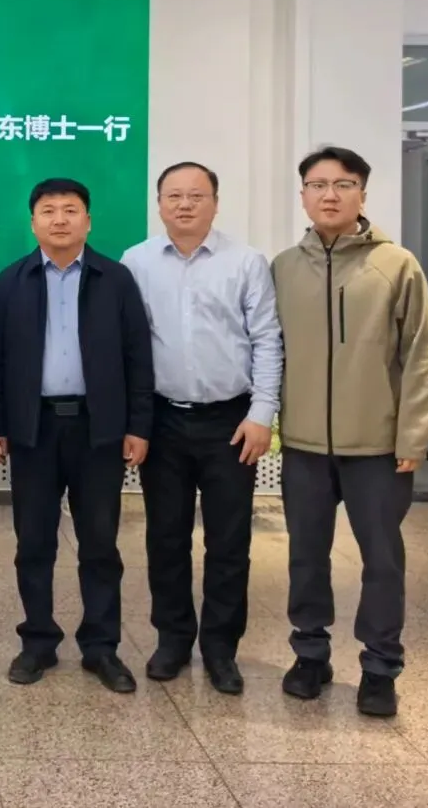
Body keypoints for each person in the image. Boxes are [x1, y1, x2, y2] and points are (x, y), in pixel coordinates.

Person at [273, 146, 428, 718]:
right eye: (317, 184)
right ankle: (310, 654)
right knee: (305, 556)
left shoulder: (397, 265)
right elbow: (270, 351)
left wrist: (414, 436)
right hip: (303, 446)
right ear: (302, 195)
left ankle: (380, 666)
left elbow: (421, 356)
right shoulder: (284, 267)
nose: (330, 195)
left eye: (343, 184)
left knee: (383, 560)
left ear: (362, 194)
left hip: (378, 447)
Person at [0, 178, 154, 692]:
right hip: (32, 429)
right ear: (33, 222)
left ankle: (102, 647)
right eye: (49, 210)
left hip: (99, 429)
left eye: (71, 210)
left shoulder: (115, 279)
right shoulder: (12, 280)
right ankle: (38, 642)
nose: (60, 219)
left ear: (88, 221)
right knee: (33, 541)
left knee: (100, 542)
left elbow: (138, 357)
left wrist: (138, 425)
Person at [121, 162, 283, 695]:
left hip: (230, 422)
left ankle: (220, 648)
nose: (185, 204)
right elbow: (128, 346)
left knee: (229, 541)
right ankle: (172, 639)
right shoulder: (136, 262)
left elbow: (266, 339)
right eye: (174, 196)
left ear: (215, 202)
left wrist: (261, 414)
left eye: (196, 195)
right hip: (162, 419)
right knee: (165, 537)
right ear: (159, 203)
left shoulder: (245, 261)